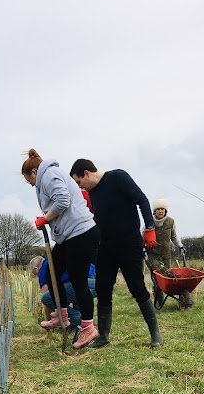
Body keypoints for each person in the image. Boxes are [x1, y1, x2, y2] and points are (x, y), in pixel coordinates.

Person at [69, 159, 164, 348]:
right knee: (103, 289)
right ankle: (103, 336)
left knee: (137, 287)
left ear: (86, 173)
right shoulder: (92, 193)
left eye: (79, 182)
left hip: (129, 243)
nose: (80, 187)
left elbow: (142, 199)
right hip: (105, 246)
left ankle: (155, 334)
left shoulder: (117, 177)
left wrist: (150, 228)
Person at [21, 149, 99, 349]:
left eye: (28, 179)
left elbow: (63, 199)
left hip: (80, 232)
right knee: (52, 271)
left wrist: (45, 218)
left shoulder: (49, 175)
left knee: (77, 279)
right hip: (67, 236)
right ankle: (62, 315)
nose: (29, 184)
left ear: (34, 172)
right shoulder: (46, 177)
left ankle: (88, 327)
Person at [28, 255, 96, 329]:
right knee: (72, 295)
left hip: (82, 284)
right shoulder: (54, 258)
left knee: (46, 298)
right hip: (96, 283)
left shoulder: (44, 269)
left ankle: (75, 316)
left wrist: (49, 322)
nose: (37, 276)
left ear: (36, 268)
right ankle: (81, 323)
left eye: (35, 274)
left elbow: (49, 297)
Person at [147, 198, 192, 308]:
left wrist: (180, 246)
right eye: (158, 209)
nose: (160, 211)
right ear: (154, 211)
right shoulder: (149, 221)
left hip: (166, 254)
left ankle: (178, 297)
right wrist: (142, 248)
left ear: (165, 210)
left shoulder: (171, 222)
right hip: (153, 254)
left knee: (168, 277)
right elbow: (143, 236)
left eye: (162, 209)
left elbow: (174, 236)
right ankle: (158, 297)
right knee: (158, 277)